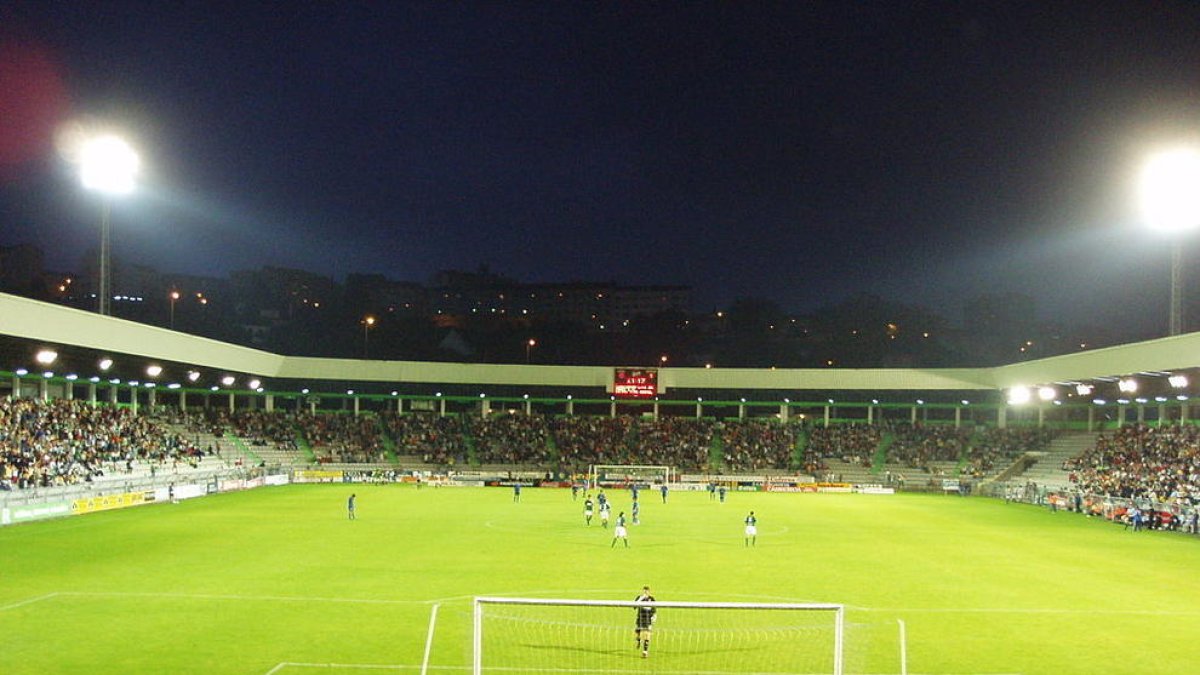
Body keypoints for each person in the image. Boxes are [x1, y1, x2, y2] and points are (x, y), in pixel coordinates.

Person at [634, 586, 656, 657]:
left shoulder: (652, 599)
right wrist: (641, 598)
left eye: (647, 591)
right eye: (644, 591)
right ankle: (638, 640)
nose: (646, 592)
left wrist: (654, 616)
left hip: (648, 619)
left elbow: (654, 609)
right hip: (640, 618)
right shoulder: (639, 598)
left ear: (649, 592)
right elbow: (634, 606)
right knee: (637, 632)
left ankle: (645, 651)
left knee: (647, 633)